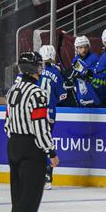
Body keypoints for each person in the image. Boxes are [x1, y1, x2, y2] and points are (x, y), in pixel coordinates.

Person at [6, 51, 59, 212]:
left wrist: (15, 142)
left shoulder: (13, 90)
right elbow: (40, 127)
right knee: (30, 196)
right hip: (31, 148)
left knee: (18, 195)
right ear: (33, 69)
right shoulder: (37, 94)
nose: (40, 69)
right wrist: (51, 151)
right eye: (38, 65)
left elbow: (8, 123)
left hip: (13, 145)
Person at [37, 45, 66, 190]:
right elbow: (62, 96)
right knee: (46, 141)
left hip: (35, 112)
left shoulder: (35, 72)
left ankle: (35, 174)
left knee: (35, 142)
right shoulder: (56, 72)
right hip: (50, 113)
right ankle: (47, 175)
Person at [69, 36, 103, 107]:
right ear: (76, 48)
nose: (83, 50)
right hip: (82, 95)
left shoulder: (95, 58)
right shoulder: (75, 60)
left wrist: (87, 73)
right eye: (80, 47)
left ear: (89, 47)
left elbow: (98, 76)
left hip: (95, 94)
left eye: (85, 47)